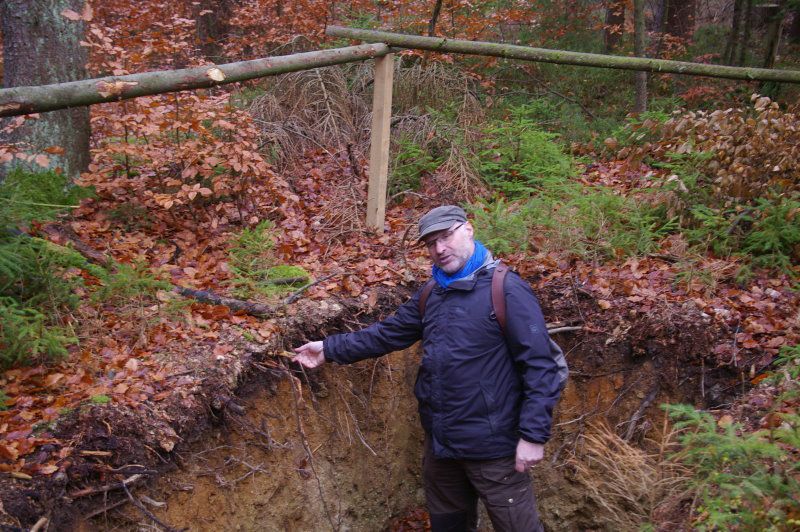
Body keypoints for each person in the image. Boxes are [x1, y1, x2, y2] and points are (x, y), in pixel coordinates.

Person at [294, 205, 567, 532]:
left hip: (495, 452)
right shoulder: (431, 294)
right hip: (442, 450)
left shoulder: (506, 289)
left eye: (446, 237)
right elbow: (387, 334)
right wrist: (328, 348)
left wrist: (533, 436)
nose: (439, 249)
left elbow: (540, 365)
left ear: (468, 229)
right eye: (431, 243)